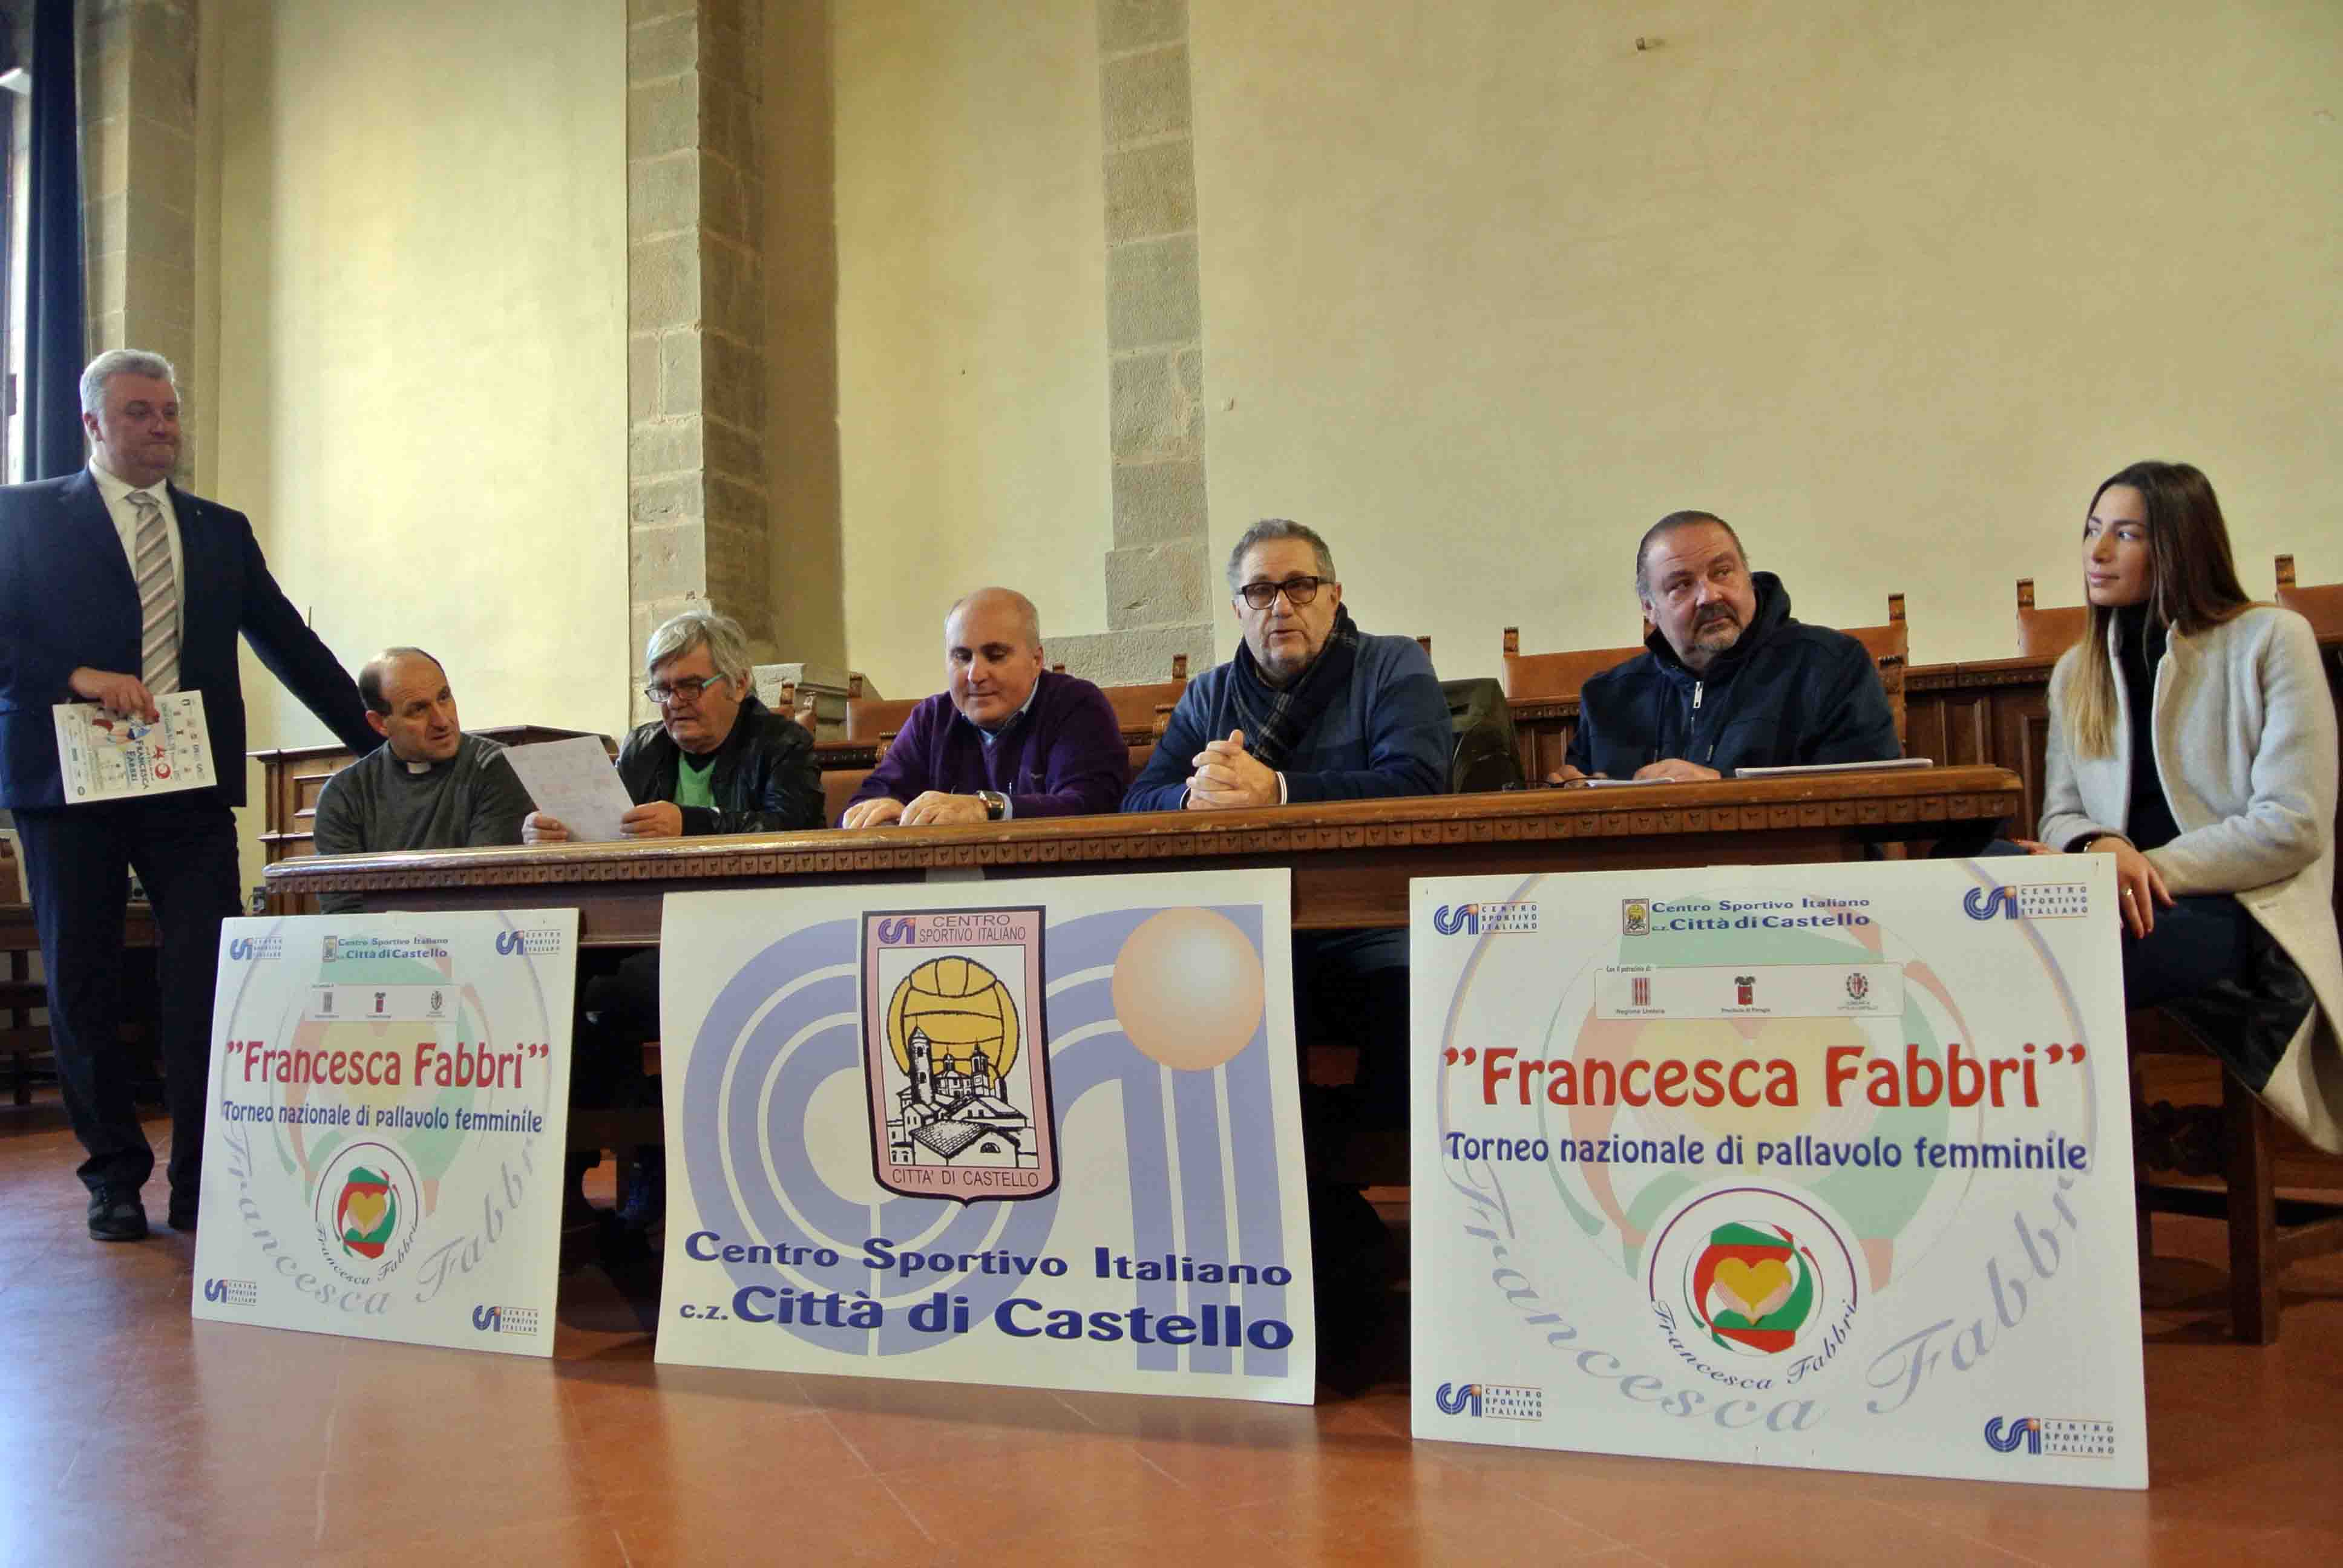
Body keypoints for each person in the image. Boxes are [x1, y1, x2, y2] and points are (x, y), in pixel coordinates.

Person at [0, 349, 381, 1241]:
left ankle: (204, 1179)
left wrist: (377, 733)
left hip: (188, 781)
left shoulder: (218, 529)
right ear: (93, 423)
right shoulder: (23, 516)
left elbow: (288, 642)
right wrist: (77, 675)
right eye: (139, 412)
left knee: (210, 974)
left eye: (169, 411)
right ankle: (113, 1177)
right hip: (67, 783)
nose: (161, 426)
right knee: (85, 979)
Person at [1124, 518, 1449, 1388]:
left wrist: (1277, 790)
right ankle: (1292, 1254)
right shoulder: (1211, 696)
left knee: (1407, 1012)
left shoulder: (1389, 668)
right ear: (1238, 608)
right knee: (1190, 1024)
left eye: (1299, 586)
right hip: (1256, 942)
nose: (1282, 606)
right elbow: (1137, 802)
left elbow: (1419, 785)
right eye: (1261, 591)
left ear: (1333, 596)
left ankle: (1369, 1258)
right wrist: (1192, 799)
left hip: (1378, 933)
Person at [2033, 462, 2342, 1152]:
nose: (2096, 552)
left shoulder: (2271, 639)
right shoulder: (2075, 670)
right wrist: (2097, 849)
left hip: (2242, 912)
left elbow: (2293, 824)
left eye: (2125, 534)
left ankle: (2073, 1160)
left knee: (2050, 960)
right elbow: (2059, 816)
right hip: (2115, 899)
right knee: (1982, 887)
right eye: (2091, 530)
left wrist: (2140, 867)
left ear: (2179, 545)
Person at [524, 606, 824, 1228]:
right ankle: (567, 1189)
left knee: (621, 995)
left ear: (738, 683)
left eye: (690, 685)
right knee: (549, 990)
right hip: (639, 931)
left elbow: (793, 830)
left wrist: (693, 824)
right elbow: (607, 834)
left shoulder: (781, 744)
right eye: (661, 689)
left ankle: (653, 1166)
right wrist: (555, 834)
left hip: (746, 933)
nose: (674, 703)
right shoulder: (642, 748)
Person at [1555, 511, 1898, 782]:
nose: (1709, 596)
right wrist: (1569, 796)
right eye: (1681, 585)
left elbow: (1870, 800)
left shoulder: (1831, 666)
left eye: (1722, 572)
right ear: (1649, 608)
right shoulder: (1607, 699)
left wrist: (1722, 789)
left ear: (1748, 577)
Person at [839, 587, 1128, 827]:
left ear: (1036, 660)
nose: (975, 675)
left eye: (996, 655)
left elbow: (1092, 805)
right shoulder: (931, 718)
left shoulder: (1076, 705)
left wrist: (987, 807)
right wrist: (882, 814)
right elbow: (865, 802)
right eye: (962, 657)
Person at [310, 648, 532, 912]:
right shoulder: (344, 793)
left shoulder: (497, 767)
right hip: (374, 937)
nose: (442, 721)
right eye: (418, 710)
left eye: (444, 698)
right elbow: (342, 908)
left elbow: (483, 889)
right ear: (380, 723)